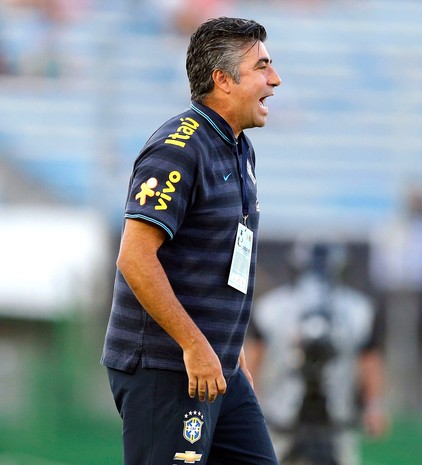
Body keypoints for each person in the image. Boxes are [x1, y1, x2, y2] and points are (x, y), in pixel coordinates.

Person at [100, 17, 281, 465]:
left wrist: (227, 356)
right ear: (223, 80)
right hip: (168, 367)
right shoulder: (177, 149)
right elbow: (135, 259)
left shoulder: (238, 147)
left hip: (217, 367)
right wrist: (195, 347)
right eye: (262, 67)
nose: (274, 80)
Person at [245, 242, 389, 465]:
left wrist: (374, 406)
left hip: (335, 416)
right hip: (282, 414)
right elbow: (253, 360)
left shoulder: (358, 309)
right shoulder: (273, 307)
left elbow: (369, 359)